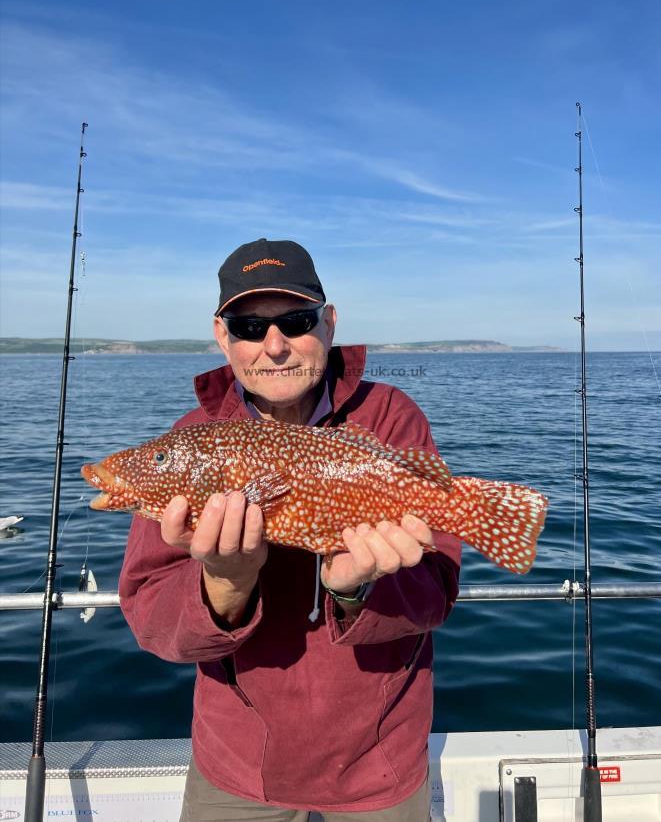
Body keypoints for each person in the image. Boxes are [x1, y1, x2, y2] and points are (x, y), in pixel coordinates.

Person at [119, 238, 461, 821]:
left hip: (378, 763)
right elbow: (154, 624)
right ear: (223, 336)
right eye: (249, 326)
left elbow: (435, 593)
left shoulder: (391, 418)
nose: (273, 347)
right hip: (236, 765)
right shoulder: (193, 438)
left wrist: (356, 589)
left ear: (329, 324)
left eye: (296, 321)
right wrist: (224, 584)